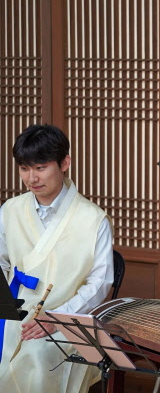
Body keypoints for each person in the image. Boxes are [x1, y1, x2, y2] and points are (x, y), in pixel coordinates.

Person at [0, 124, 114, 392]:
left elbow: (100, 283)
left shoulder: (93, 219)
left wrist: (56, 318)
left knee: (37, 355)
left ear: (64, 163)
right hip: (12, 309)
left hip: (66, 316)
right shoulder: (10, 210)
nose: (32, 178)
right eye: (24, 168)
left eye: (40, 168)